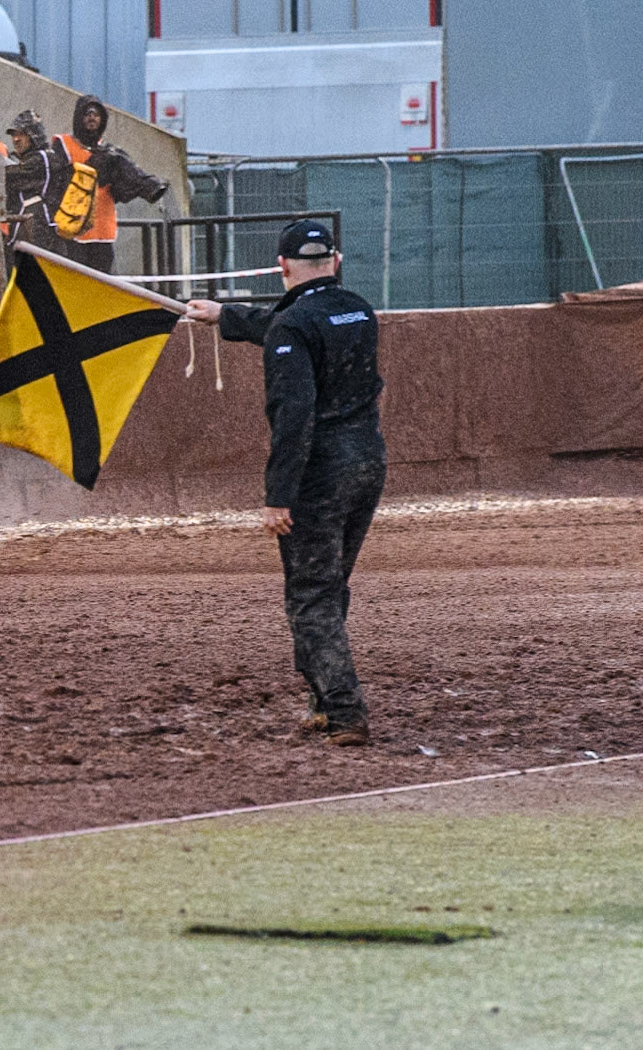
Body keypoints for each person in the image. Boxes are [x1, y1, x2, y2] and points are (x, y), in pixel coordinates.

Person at [183, 221, 386, 747]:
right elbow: (297, 324)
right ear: (335, 263)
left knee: (312, 596)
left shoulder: (292, 325)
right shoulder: (359, 308)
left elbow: (293, 412)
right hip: (368, 462)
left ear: (283, 266)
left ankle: (344, 711)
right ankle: (322, 698)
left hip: (321, 473)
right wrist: (226, 317)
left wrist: (279, 497)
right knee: (330, 585)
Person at [51, 94, 170, 274]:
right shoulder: (63, 144)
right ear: (78, 117)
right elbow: (57, 179)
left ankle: (148, 187)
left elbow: (117, 188)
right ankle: (148, 185)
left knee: (117, 158)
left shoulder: (109, 151)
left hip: (102, 230)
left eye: (96, 114)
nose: (92, 118)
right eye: (87, 114)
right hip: (73, 226)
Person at [2, 109, 67, 254]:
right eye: (13, 135)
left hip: (41, 238)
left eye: (21, 134)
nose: (15, 139)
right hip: (35, 237)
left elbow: (11, 176)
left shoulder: (42, 159)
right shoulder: (40, 158)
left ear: (33, 135)